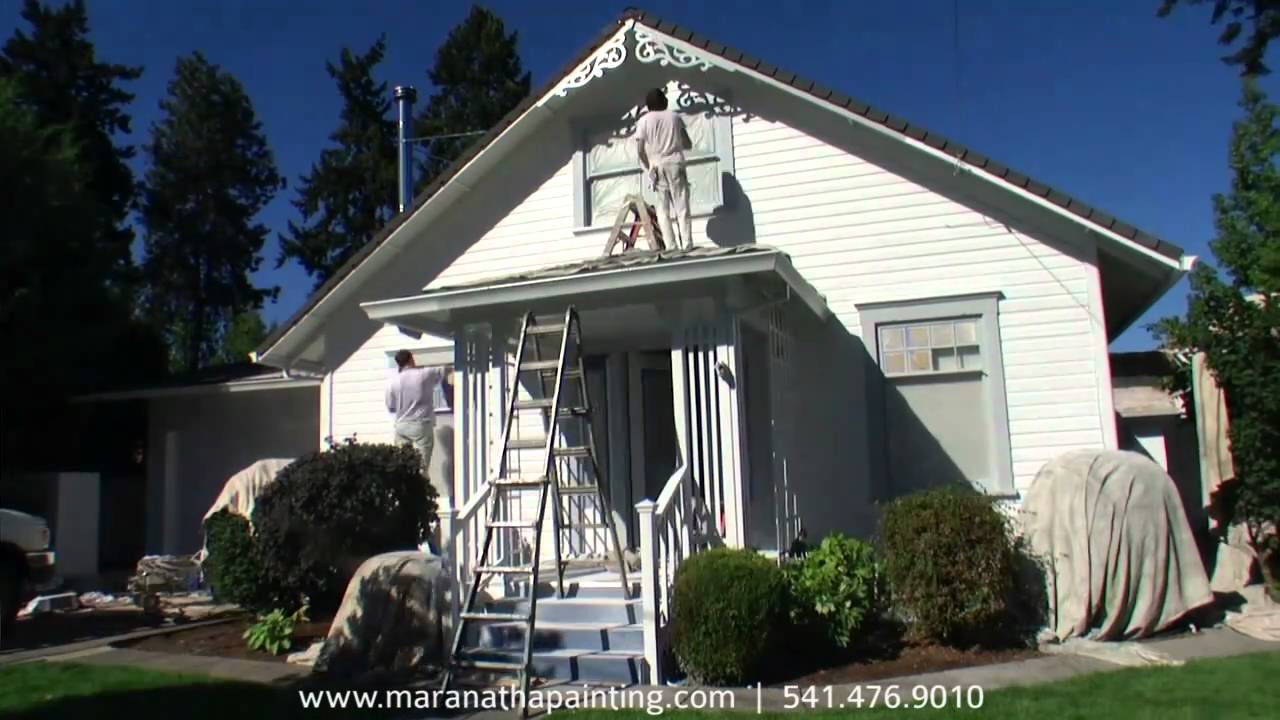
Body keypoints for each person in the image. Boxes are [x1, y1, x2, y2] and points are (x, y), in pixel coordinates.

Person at [386, 350, 450, 510]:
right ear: (411, 359)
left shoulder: (394, 382)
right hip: (420, 424)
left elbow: (391, 406)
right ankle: (420, 499)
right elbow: (445, 369)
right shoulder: (423, 375)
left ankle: (402, 499)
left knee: (402, 464)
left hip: (401, 425)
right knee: (422, 466)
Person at [634, 87, 694, 249]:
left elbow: (639, 150)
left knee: (663, 208)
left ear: (648, 105)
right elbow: (688, 143)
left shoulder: (644, 121)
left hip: (657, 165)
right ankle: (687, 243)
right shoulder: (674, 117)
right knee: (681, 205)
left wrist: (648, 167)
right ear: (665, 102)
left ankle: (671, 245)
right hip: (675, 162)